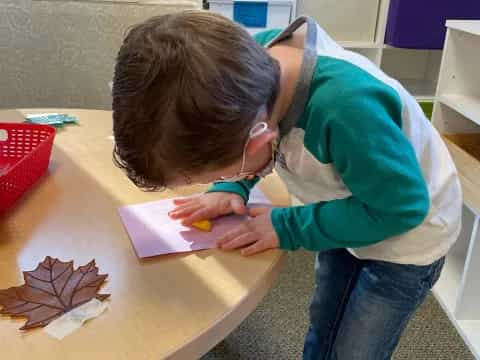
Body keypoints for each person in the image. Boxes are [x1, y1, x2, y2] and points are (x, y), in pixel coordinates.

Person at [111, 11, 462, 359]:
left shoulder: (346, 107)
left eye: (216, 176)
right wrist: (232, 188)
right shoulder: (246, 73)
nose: (214, 182)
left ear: (259, 139)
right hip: (348, 200)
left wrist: (285, 225)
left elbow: (401, 207)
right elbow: (247, 143)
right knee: (326, 318)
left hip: (409, 235)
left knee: (359, 345)